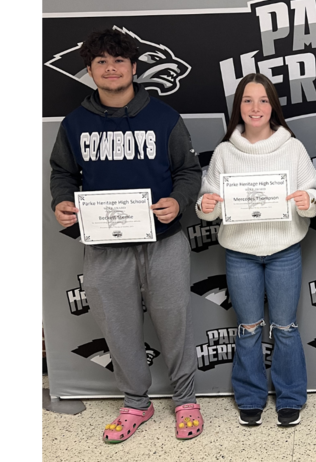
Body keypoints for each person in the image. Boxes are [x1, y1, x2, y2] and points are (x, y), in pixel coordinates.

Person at [49, 29, 204, 442]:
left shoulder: (164, 117)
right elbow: (63, 174)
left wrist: (178, 201)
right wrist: (61, 201)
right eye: (101, 61)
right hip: (104, 244)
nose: (111, 67)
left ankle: (186, 399)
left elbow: (188, 173)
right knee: (117, 327)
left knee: (175, 321)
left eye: (118, 61)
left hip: (163, 239)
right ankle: (137, 402)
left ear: (134, 68)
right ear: (89, 70)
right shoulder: (76, 123)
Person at [195, 73, 316, 428]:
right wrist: (206, 205)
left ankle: (291, 397)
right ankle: (250, 397)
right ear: (239, 107)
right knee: (249, 328)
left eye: (263, 100)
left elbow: (315, 197)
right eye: (248, 100)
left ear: (273, 107)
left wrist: (307, 200)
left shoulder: (292, 147)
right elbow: (207, 205)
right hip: (240, 252)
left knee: (284, 327)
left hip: (284, 250)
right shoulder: (224, 152)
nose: (255, 108)